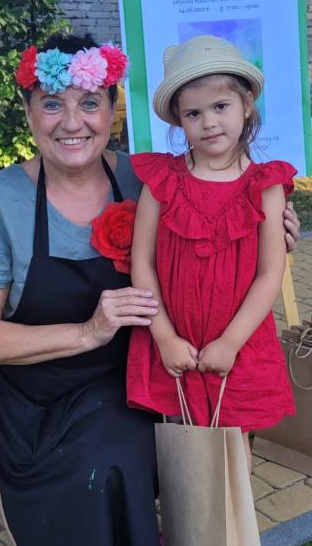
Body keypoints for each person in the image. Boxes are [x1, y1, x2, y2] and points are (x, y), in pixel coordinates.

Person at [0, 33, 301, 546]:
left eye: (89, 103)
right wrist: (88, 331)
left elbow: (224, 220)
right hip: (37, 396)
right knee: (105, 465)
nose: (72, 123)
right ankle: (24, 482)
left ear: (112, 109)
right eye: (52, 104)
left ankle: (168, 541)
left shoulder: (145, 180)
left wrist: (272, 228)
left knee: (158, 446)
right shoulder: (0, 203)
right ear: (29, 112)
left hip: (135, 376)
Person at [127, 35, 296, 470]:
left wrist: (230, 342)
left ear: (247, 106)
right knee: (180, 445)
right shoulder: (162, 181)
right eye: (193, 113)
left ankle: (231, 514)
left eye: (221, 106)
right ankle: (183, 511)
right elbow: (142, 263)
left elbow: (270, 273)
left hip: (238, 343)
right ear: (179, 121)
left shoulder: (266, 185)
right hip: (174, 342)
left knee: (233, 447)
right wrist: (164, 337)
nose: (209, 122)